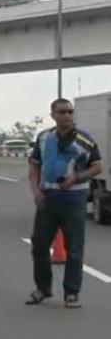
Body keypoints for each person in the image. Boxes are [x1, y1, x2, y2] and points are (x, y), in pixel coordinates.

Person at [26, 98, 101, 308]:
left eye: (70, 111)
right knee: (39, 245)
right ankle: (42, 289)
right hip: (48, 199)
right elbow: (33, 167)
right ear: (53, 115)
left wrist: (76, 178)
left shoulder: (84, 140)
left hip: (74, 199)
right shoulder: (43, 138)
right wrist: (35, 191)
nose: (67, 115)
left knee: (74, 248)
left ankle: (71, 293)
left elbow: (97, 167)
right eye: (62, 112)